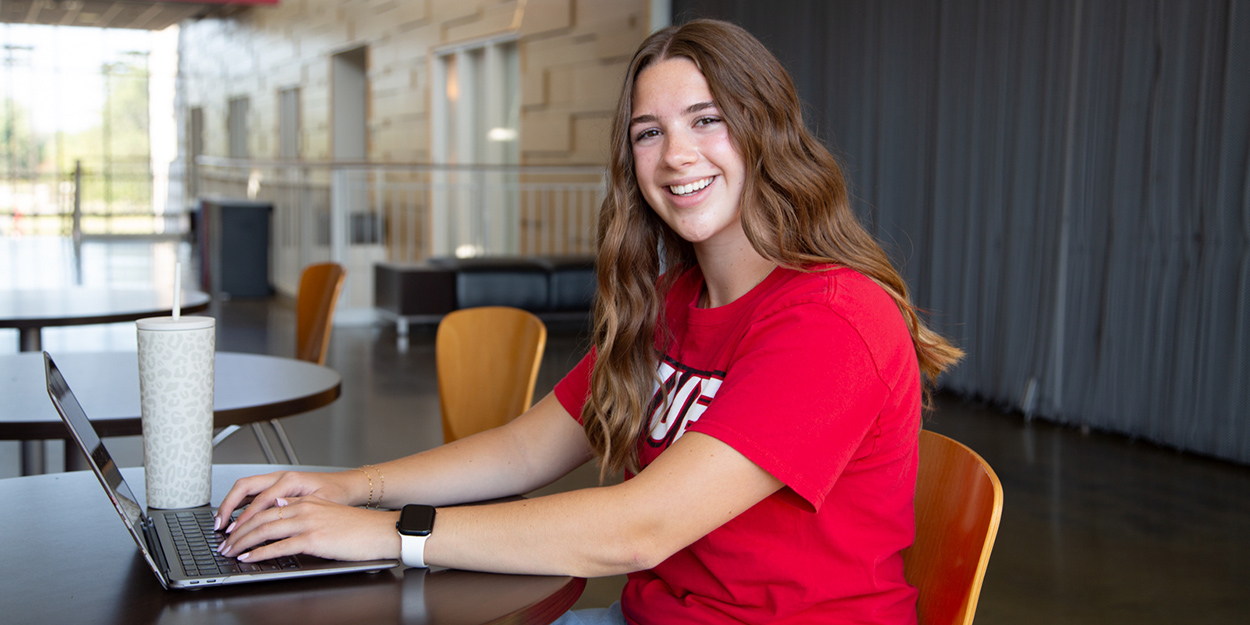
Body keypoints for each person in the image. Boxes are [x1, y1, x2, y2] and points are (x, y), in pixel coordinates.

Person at [215, 18, 962, 624]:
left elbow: (641, 527)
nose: (676, 156)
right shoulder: (677, 300)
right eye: (648, 132)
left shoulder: (832, 320)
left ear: (767, 130)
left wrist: (392, 534)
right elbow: (524, 448)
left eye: (707, 120)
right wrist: (349, 488)